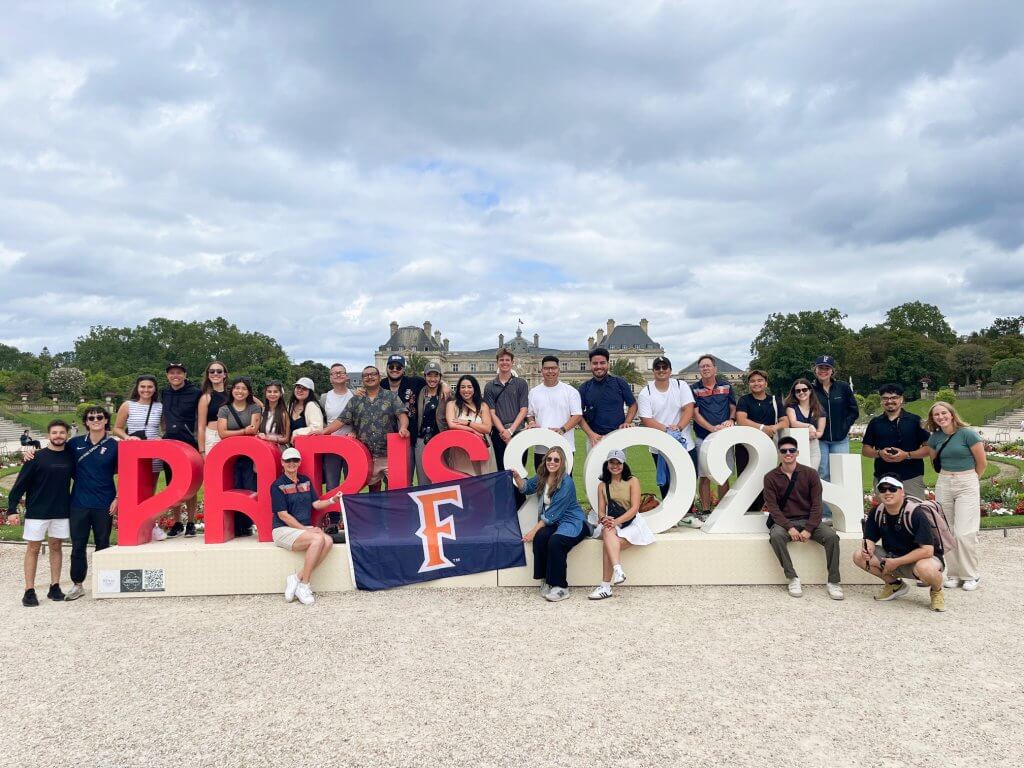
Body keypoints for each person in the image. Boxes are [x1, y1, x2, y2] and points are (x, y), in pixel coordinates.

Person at [763, 436, 843, 600]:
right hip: (785, 522)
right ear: (779, 453)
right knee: (776, 536)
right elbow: (773, 508)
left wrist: (809, 529)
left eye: (791, 450)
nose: (788, 453)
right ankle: (792, 577)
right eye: (784, 451)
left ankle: (834, 581)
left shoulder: (810, 474)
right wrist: (789, 527)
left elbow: (817, 505)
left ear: (797, 452)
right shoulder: (771, 477)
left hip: (808, 520)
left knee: (832, 537)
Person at [8, 420, 76, 606]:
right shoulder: (36, 457)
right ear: (48, 436)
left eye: (62, 433)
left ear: (67, 436)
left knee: (56, 547)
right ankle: (29, 590)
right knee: (33, 549)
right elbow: (19, 485)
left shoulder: (70, 458)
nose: (58, 436)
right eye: (55, 433)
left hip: (61, 511)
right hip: (37, 511)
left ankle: (55, 586)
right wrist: (12, 509)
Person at [853, 477, 946, 612]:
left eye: (892, 489)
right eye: (882, 489)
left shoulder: (916, 513)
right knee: (858, 556)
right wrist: (868, 549)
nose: (887, 492)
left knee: (927, 569)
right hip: (892, 558)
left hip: (920, 560)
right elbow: (869, 539)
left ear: (902, 492)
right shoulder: (877, 511)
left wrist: (896, 562)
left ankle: (937, 591)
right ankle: (894, 585)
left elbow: (927, 551)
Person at [511, 446, 586, 602]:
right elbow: (526, 488)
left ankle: (561, 587)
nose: (552, 462)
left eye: (556, 460)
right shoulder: (542, 477)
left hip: (572, 521)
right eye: (549, 459)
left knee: (556, 542)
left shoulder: (566, 482)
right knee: (540, 538)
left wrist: (532, 531)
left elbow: (552, 514)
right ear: (545, 461)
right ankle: (545, 579)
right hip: (554, 522)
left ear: (562, 462)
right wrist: (517, 477)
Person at [926, 401, 985, 591]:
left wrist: (971, 479)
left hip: (967, 481)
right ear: (933, 418)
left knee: (964, 532)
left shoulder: (967, 433)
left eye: (944, 413)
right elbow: (934, 462)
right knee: (946, 531)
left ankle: (971, 574)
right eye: (936, 415)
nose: (941, 417)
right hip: (944, 482)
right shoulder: (935, 437)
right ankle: (953, 573)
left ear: (951, 414)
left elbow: (981, 462)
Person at [270, 447, 339, 606]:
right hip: (283, 530)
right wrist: (306, 529)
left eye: (295, 460)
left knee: (327, 541)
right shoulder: (277, 485)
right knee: (317, 540)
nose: (291, 463)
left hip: (302, 530)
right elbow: (283, 516)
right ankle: (305, 585)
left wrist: (331, 500)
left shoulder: (306, 481)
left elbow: (316, 504)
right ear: (282, 463)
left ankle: (296, 577)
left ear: (299, 462)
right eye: (288, 461)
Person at [637, 355, 698, 524]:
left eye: (665, 367)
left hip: (684, 441)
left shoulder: (681, 385)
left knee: (688, 478)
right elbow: (646, 419)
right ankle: (671, 515)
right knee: (665, 481)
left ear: (670, 370)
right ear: (653, 371)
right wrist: (667, 431)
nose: (661, 370)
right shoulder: (646, 392)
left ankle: (687, 515)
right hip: (659, 445)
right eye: (658, 367)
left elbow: (688, 409)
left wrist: (677, 428)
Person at [65, 406, 118, 600]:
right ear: (86, 422)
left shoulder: (114, 445)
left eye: (99, 417)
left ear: (106, 420)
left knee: (102, 543)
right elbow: (55, 454)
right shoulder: (74, 443)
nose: (95, 419)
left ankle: (104, 582)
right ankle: (77, 584)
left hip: (104, 501)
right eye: (91, 417)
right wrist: (32, 454)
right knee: (78, 545)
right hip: (79, 501)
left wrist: (118, 498)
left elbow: (127, 474)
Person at [588, 449, 654, 600]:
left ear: (624, 465)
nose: (615, 466)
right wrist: (606, 519)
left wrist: (615, 521)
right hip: (614, 523)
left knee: (608, 543)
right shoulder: (602, 485)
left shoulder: (632, 481)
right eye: (612, 462)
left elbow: (635, 508)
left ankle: (606, 585)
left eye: (618, 463)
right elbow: (601, 511)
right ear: (607, 464)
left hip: (631, 523)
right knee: (607, 530)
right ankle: (617, 571)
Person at [332, 366, 409, 491]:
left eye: (373, 374)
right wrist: (324, 431)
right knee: (374, 491)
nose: (370, 377)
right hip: (366, 455)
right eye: (366, 375)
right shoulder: (355, 400)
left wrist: (404, 427)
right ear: (362, 380)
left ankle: (393, 511)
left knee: (395, 491)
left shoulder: (391, 396)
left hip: (388, 454)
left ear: (379, 377)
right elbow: (341, 420)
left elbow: (402, 414)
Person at [113, 374, 167, 541]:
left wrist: (161, 438)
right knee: (131, 489)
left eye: (150, 387)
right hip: (133, 452)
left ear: (154, 389)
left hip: (153, 452)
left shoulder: (160, 406)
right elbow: (117, 428)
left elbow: (164, 429)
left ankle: (150, 525)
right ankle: (130, 524)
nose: (146, 390)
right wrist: (127, 437)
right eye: (143, 386)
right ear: (137, 388)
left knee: (149, 490)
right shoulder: (128, 405)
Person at [861, 383, 930, 500]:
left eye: (894, 398)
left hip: (911, 477)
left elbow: (928, 448)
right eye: (885, 398)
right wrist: (879, 453)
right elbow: (865, 450)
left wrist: (907, 455)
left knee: (913, 514)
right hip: (883, 478)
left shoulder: (914, 420)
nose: (889, 401)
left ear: (901, 399)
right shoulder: (875, 422)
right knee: (886, 516)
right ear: (881, 401)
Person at [736, 369, 789, 511]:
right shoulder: (744, 400)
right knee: (745, 479)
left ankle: (762, 508)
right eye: (752, 381)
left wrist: (774, 427)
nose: (756, 383)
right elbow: (741, 420)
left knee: (766, 479)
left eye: (760, 380)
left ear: (766, 383)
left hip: (766, 447)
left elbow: (785, 421)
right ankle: (746, 510)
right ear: (749, 384)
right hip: (745, 448)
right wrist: (762, 428)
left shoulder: (774, 400)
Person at [690, 354, 737, 518]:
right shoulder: (694, 388)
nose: (705, 368)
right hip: (703, 437)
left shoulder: (726, 386)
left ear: (715, 369)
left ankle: (722, 512)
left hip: (724, 438)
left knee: (723, 475)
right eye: (702, 366)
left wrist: (731, 420)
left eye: (708, 365)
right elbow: (695, 414)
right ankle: (705, 510)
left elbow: (733, 407)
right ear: (699, 370)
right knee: (704, 476)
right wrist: (711, 428)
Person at [217, 377, 263, 536]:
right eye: (237, 388)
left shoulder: (254, 408)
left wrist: (236, 434)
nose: (240, 391)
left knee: (250, 487)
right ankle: (235, 526)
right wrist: (243, 432)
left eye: (244, 388)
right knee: (233, 488)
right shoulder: (224, 409)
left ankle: (248, 524)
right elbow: (222, 433)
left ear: (249, 392)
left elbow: (254, 429)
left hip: (249, 456)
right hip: (229, 458)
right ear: (232, 390)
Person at [161, 362, 202, 537]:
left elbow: (201, 417)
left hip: (188, 442)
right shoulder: (164, 392)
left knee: (190, 484)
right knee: (173, 484)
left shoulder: (195, 392)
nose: (175, 375)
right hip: (169, 444)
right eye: (172, 373)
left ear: (185, 375)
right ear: (167, 375)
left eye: (179, 372)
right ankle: (177, 523)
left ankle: (191, 522)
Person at [526, 355, 582, 470]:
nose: (550, 371)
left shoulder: (571, 391)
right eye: (546, 368)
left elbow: (577, 415)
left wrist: (562, 430)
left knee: (563, 484)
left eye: (553, 368)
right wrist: (531, 422)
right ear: (541, 370)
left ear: (559, 370)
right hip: (541, 448)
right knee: (542, 484)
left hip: (564, 446)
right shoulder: (534, 392)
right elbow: (530, 414)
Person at [811, 355, 859, 481]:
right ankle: (822, 502)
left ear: (832, 371)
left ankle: (840, 501)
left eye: (827, 368)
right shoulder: (809, 389)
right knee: (823, 473)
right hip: (820, 439)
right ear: (815, 369)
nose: (823, 370)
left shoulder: (843, 387)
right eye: (820, 367)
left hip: (840, 439)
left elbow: (854, 411)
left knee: (841, 474)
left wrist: (845, 425)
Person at [578, 347, 637, 449]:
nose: (599, 366)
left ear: (608, 364)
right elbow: (578, 414)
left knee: (618, 466)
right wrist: (591, 434)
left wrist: (627, 422)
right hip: (595, 438)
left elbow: (633, 405)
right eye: (595, 363)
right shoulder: (584, 388)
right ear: (590, 365)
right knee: (594, 465)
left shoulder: (619, 383)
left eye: (602, 363)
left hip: (617, 437)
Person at [483, 348, 529, 471]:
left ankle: (517, 491)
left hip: (518, 432)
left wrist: (511, 431)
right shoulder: (490, 386)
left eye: (507, 360)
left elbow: (524, 409)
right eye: (501, 360)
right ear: (497, 362)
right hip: (499, 434)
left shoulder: (521, 383)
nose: (504, 362)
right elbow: (491, 413)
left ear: (512, 362)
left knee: (519, 470)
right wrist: (504, 432)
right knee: (500, 469)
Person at [444, 374, 496, 477]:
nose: (466, 390)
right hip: (460, 449)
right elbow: (452, 424)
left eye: (469, 387)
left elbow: (487, 428)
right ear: (458, 389)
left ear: (474, 388)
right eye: (463, 387)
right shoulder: (451, 405)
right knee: (463, 479)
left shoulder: (482, 406)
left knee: (483, 479)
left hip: (482, 446)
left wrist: (468, 423)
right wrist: (472, 430)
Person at [319, 363, 354, 491]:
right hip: (331, 446)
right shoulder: (324, 397)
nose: (338, 374)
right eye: (334, 372)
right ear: (330, 378)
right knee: (331, 484)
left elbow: (361, 418)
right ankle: (333, 511)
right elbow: (321, 420)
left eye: (341, 372)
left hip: (352, 444)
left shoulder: (355, 395)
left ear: (346, 376)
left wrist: (355, 431)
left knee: (352, 484)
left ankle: (350, 511)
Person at [413, 361, 448, 483]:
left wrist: (444, 385)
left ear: (440, 377)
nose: (432, 379)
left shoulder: (447, 394)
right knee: (423, 480)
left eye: (436, 375)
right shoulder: (418, 392)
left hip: (441, 440)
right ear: (425, 376)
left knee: (442, 479)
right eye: (429, 375)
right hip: (422, 440)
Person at [784, 378, 825, 472]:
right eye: (798, 391)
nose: (801, 392)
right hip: (796, 445)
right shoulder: (791, 408)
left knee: (812, 473)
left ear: (810, 391)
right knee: (797, 475)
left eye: (804, 389)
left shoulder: (819, 409)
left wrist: (814, 434)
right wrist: (809, 426)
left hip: (813, 445)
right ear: (794, 393)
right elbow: (793, 423)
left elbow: (820, 432)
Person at [196, 360, 229, 457]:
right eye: (212, 371)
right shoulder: (206, 397)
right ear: (208, 375)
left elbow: (259, 404)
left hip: (231, 436)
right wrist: (202, 452)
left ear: (225, 375)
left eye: (219, 371)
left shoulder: (233, 394)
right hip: (213, 437)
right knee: (213, 470)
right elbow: (201, 427)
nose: (215, 374)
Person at [258, 380, 291, 449]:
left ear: (281, 394)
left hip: (279, 449)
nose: (272, 394)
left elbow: (286, 439)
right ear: (266, 394)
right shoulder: (262, 411)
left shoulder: (283, 414)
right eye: (269, 392)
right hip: (263, 447)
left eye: (275, 392)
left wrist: (268, 438)